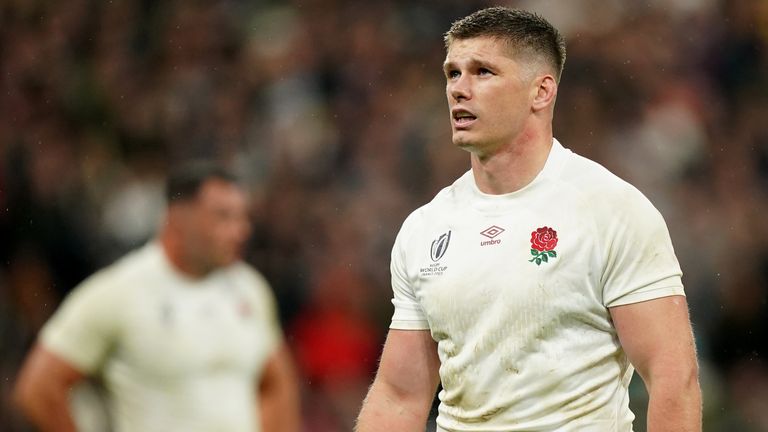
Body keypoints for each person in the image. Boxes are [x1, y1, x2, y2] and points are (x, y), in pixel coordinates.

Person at [356, 7, 701, 432]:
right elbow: (399, 398)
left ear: (541, 92)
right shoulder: (425, 227)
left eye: (483, 72)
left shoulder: (611, 210)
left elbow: (673, 379)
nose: (459, 90)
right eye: (452, 73)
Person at [14, 161, 301, 432]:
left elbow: (278, 382)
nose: (241, 230)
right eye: (223, 216)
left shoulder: (249, 288)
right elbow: (38, 388)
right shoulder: (119, 291)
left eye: (242, 216)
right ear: (177, 219)